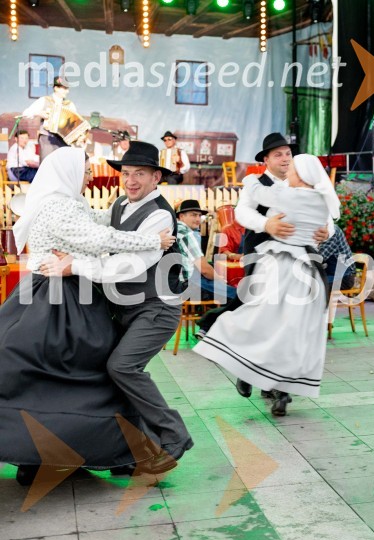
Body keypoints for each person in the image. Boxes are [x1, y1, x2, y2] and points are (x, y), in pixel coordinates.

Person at [0, 148, 177, 484]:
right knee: (70, 373)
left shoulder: (70, 202)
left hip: (67, 295)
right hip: (58, 299)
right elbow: (101, 238)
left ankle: (64, 453)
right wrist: (150, 239)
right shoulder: (59, 206)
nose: (90, 176)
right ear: (67, 171)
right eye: (84, 170)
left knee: (72, 374)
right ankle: (41, 454)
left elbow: (98, 223)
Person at [46, 141, 194, 472]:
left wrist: (76, 266)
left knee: (123, 367)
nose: (130, 180)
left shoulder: (159, 216)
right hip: (124, 307)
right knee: (105, 369)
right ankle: (128, 450)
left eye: (139, 174)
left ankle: (173, 436)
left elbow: (128, 266)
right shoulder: (120, 205)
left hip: (156, 308)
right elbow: (105, 242)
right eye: (126, 173)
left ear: (156, 177)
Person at [193, 154, 340, 417]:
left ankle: (248, 370)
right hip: (308, 273)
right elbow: (324, 225)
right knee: (292, 331)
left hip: (282, 268)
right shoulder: (322, 201)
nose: (288, 169)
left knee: (259, 319)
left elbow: (260, 193)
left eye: (292, 166)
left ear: (303, 175)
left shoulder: (290, 195)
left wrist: (249, 177)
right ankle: (271, 385)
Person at [175, 199, 237, 302]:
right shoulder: (187, 234)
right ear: (181, 216)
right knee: (236, 295)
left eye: (199, 216)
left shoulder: (176, 229)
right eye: (194, 215)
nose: (198, 219)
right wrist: (221, 280)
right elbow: (204, 269)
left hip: (176, 282)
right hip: (187, 285)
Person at [21, 77, 81, 161]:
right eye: (65, 88)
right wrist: (39, 113)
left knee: (63, 166)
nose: (67, 91)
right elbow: (25, 113)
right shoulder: (44, 100)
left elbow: (75, 122)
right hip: (47, 139)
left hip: (63, 141)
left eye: (67, 89)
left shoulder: (69, 105)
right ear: (56, 88)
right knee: (47, 165)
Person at [319, 225, 356, 291]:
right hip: (331, 274)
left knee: (314, 284)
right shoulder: (322, 230)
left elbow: (318, 258)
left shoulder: (332, 232)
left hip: (344, 278)